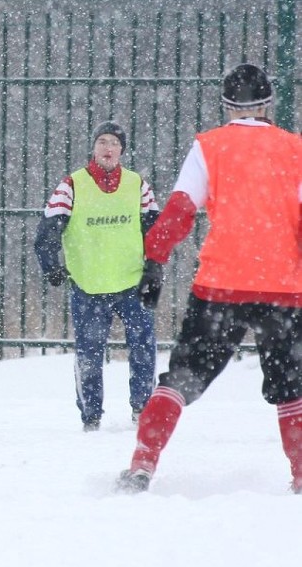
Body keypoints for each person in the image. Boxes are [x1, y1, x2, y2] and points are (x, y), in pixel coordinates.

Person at [116, 64, 302, 494]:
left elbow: (180, 209)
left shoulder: (209, 146)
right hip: (284, 287)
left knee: (183, 376)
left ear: (226, 106)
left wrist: (155, 260)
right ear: (268, 104)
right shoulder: (294, 149)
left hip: (221, 284)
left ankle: (143, 464)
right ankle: (299, 474)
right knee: (292, 385)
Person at [35, 121, 159, 431]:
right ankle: (91, 416)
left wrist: (155, 268)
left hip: (131, 282)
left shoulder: (137, 184)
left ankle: (142, 410)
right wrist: (50, 262)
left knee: (144, 348)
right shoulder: (72, 185)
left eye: (114, 143)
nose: (108, 148)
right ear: (94, 147)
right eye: (102, 141)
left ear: (122, 150)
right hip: (88, 284)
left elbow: (156, 230)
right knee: (89, 354)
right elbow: (49, 227)